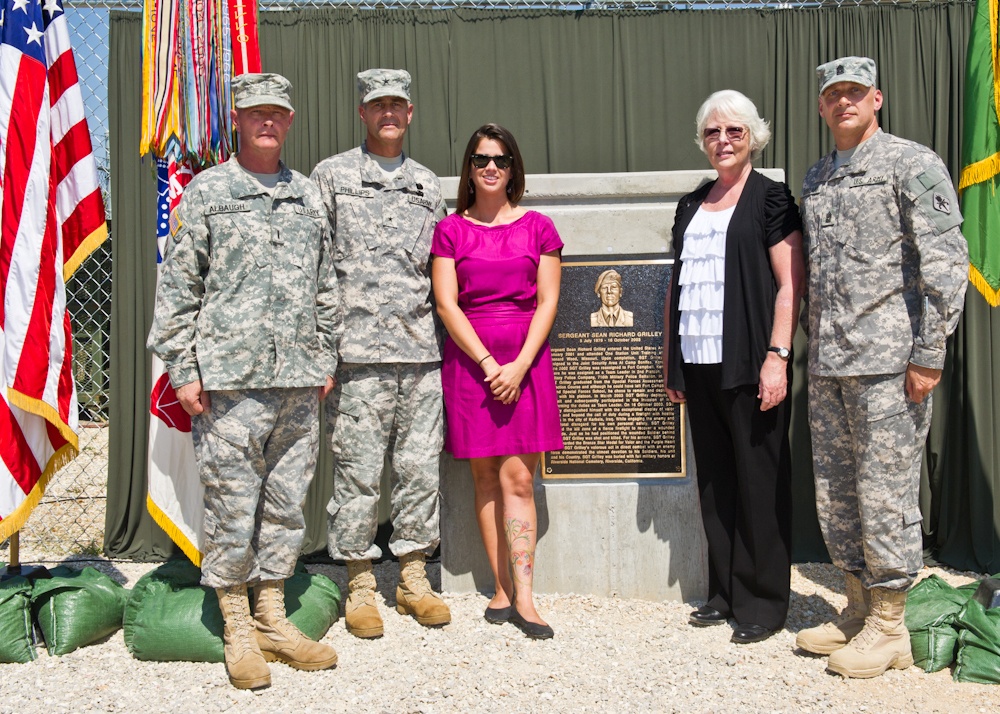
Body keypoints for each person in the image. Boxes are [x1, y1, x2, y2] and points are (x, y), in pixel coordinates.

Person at [147, 73, 339, 689]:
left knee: (285, 506)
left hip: (297, 382)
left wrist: (327, 358)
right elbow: (179, 288)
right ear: (238, 119)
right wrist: (184, 370)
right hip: (228, 383)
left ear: (289, 120)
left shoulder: (309, 196)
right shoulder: (208, 192)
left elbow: (327, 285)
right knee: (233, 506)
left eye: (276, 114)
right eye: (254, 113)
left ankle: (273, 617)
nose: (266, 122)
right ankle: (237, 625)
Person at [796, 57, 968, 678]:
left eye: (855, 93)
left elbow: (946, 261)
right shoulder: (817, 178)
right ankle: (856, 605)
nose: (844, 102)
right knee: (839, 492)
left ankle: (891, 625)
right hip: (831, 363)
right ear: (821, 106)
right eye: (833, 94)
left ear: (877, 99)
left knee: (886, 490)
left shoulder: (911, 163)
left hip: (890, 363)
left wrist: (929, 354)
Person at [310, 69, 450, 639]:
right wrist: (321, 352)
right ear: (363, 113)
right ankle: (361, 582)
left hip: (420, 354)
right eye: (378, 105)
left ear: (410, 113)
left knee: (419, 470)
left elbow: (440, 271)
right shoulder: (333, 176)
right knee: (359, 473)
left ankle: (413, 577)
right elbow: (315, 268)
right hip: (355, 358)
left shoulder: (426, 184)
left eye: (397, 104)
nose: (388, 113)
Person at [662, 90, 804, 645]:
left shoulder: (771, 199)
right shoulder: (690, 203)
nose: (722, 141)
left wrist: (778, 356)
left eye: (734, 132)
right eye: (713, 133)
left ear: (753, 137)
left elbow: (790, 284)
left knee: (759, 482)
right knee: (717, 483)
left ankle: (762, 604)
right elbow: (678, 287)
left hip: (752, 363)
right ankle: (722, 593)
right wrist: (672, 365)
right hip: (699, 361)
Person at [431, 123, 564, 640]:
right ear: (469, 167)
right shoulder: (451, 230)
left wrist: (518, 366)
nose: (491, 167)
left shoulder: (539, 228)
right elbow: (447, 303)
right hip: (472, 365)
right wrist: (489, 365)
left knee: (518, 479)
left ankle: (526, 596)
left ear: (514, 168)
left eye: (501, 160)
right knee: (484, 479)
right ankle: (501, 588)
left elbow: (548, 301)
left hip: (524, 363)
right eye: (482, 158)